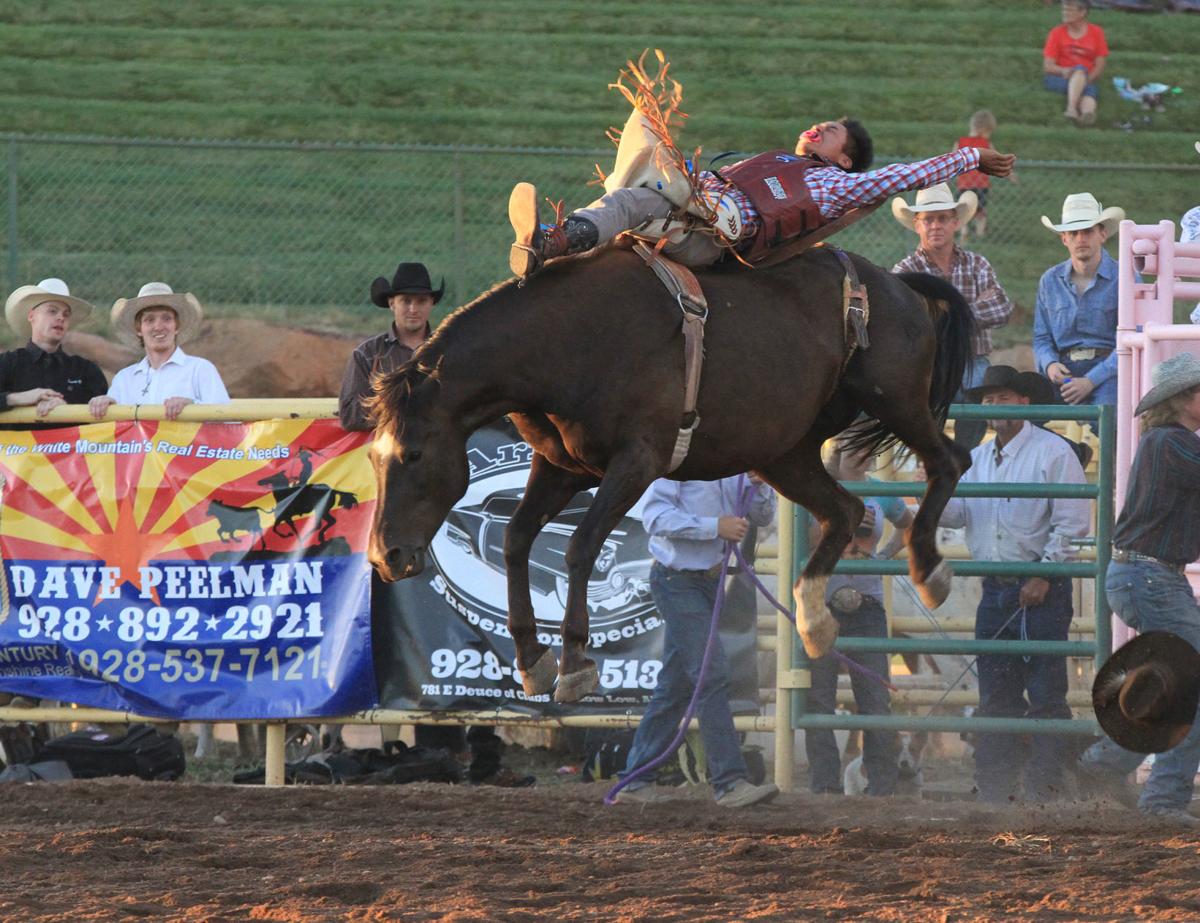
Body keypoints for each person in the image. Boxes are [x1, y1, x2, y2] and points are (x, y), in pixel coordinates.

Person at [508, 118, 1015, 277]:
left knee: (635, 203)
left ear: (844, 158)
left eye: (832, 130)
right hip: (694, 210)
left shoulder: (834, 184)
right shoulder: (764, 161)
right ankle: (565, 251)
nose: (819, 127)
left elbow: (903, 175)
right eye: (821, 123)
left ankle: (550, 242)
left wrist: (968, 158)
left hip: (713, 238)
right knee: (643, 159)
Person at [939, 366, 1090, 803]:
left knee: (1043, 691)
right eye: (986, 400)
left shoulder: (1052, 452)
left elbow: (1072, 522)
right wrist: (932, 490)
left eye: (1001, 397)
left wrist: (1045, 572)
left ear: (1024, 402)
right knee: (997, 692)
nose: (992, 406)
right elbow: (955, 513)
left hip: (1038, 584)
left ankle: (1044, 787)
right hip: (1000, 584)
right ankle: (996, 788)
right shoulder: (980, 458)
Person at [1075, 353, 1200, 824]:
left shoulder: (1165, 443)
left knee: (1172, 688)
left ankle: (1102, 765)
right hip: (1153, 577)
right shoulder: (1174, 444)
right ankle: (1163, 800)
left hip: (1144, 576)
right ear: (1185, 399)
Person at [615, 475, 779, 808]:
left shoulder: (736, 462)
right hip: (678, 581)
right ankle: (729, 781)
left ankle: (635, 779)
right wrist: (713, 526)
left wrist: (760, 484)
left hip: (705, 582)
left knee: (676, 685)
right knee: (710, 673)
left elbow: (763, 517)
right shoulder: (680, 462)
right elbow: (655, 517)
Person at [805, 442, 914, 796]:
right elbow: (805, 541)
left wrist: (882, 556)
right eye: (853, 445)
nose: (861, 452)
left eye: (866, 445)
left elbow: (909, 525)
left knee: (873, 696)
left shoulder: (880, 494)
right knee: (820, 696)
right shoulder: (818, 491)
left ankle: (880, 785)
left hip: (862, 602)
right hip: (824, 600)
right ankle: (825, 784)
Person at [891, 184, 1015, 448]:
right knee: (924, 397)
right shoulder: (905, 270)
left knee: (980, 387)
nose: (936, 225)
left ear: (955, 222)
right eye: (928, 219)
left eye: (943, 218)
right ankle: (934, 458)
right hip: (928, 363)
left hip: (973, 360)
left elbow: (1003, 309)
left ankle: (962, 458)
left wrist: (942, 311)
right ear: (917, 225)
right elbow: (906, 323)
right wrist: (971, 310)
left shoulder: (977, 263)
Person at [1032, 192, 1126, 409]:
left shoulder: (1125, 278)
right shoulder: (1049, 280)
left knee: (1108, 418)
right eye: (1073, 233)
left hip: (1109, 373)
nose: (1081, 238)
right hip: (1063, 371)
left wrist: (1091, 380)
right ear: (1064, 239)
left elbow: (1130, 340)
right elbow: (1041, 337)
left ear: (1102, 234)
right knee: (1029, 415)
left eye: (1087, 231)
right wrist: (1050, 364)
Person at [88, 282, 229, 420]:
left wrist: (193, 406)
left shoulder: (200, 370)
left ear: (177, 326)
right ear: (139, 329)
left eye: (166, 318)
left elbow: (227, 421)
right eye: (149, 320)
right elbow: (113, 431)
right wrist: (104, 404)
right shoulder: (124, 379)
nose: (158, 326)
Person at [338, 262, 439, 431]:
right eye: (406, 301)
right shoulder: (367, 354)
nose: (413, 309)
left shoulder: (447, 349)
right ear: (392, 304)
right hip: (384, 454)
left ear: (431, 304)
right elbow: (349, 415)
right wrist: (408, 403)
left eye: (421, 301)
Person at [0, 278, 107, 422]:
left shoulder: (86, 370)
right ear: (31, 316)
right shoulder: (7, 363)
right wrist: (18, 398)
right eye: (52, 311)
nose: (60, 318)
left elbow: (105, 419)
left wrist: (65, 408)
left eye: (66, 314)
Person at [1043, 0, 1109, 126]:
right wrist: (1064, 70)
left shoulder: (1096, 32)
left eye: (1069, 10)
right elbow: (1048, 66)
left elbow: (1100, 63)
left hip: (1086, 77)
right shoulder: (1056, 33)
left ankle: (1086, 115)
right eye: (1064, 10)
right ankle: (1073, 109)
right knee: (1080, 71)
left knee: (1082, 75)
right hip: (1059, 77)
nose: (1065, 13)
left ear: (1082, 12)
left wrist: (1086, 79)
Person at [954, 110, 1004, 241]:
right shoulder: (986, 144)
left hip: (964, 183)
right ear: (986, 129)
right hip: (981, 184)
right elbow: (998, 160)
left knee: (963, 208)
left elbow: (951, 161)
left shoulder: (961, 142)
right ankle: (980, 232)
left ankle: (964, 232)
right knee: (980, 210)